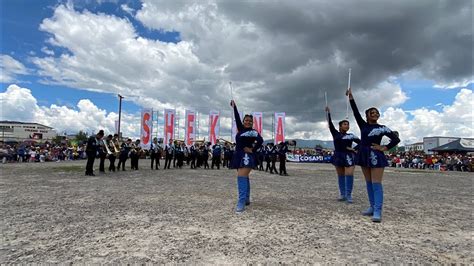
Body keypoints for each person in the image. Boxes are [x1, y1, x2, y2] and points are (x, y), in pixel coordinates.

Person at [347, 87, 400, 222]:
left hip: (376, 156)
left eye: (377, 113)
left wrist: (385, 147)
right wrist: (351, 97)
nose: (375, 114)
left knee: (376, 183)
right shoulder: (363, 125)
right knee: (369, 183)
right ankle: (371, 207)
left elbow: (396, 139)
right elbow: (355, 112)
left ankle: (378, 210)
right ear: (367, 115)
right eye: (372, 113)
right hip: (364, 154)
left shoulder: (382, 128)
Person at [230, 100, 264, 213]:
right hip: (238, 155)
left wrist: (252, 149)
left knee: (241, 177)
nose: (248, 122)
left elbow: (261, 141)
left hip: (247, 157)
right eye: (246, 120)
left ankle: (241, 202)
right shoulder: (240, 129)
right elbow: (237, 117)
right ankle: (247, 199)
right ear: (243, 121)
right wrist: (234, 107)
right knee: (244, 177)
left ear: (252, 123)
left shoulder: (254, 132)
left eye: (250, 121)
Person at [325, 106, 360, 203]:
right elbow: (330, 124)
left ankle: (349, 195)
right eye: (345, 124)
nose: (347, 126)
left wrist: (353, 149)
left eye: (348, 124)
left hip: (349, 156)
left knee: (349, 174)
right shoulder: (335, 133)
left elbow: (361, 143)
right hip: (338, 155)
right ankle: (342, 194)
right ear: (340, 126)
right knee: (340, 175)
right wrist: (328, 113)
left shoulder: (351, 135)